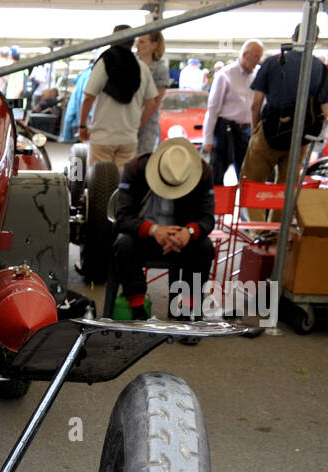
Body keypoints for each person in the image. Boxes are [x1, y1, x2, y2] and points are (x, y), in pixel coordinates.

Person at [110, 137, 215, 321]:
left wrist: (188, 232)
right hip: (144, 236)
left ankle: (189, 309)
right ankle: (137, 309)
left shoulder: (204, 172)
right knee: (123, 244)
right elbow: (122, 218)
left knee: (205, 247)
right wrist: (153, 230)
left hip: (181, 238)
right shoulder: (134, 168)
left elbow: (208, 218)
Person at [240, 38, 328, 218]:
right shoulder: (323, 70)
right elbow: (325, 112)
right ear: (316, 41)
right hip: (300, 139)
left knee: (251, 182)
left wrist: (255, 130)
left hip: (269, 133)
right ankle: (276, 234)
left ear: (293, 38)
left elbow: (256, 104)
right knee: (287, 188)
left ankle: (259, 232)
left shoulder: (273, 62)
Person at [79, 26, 159, 167]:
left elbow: (88, 97)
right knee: (121, 184)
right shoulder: (142, 67)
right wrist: (138, 125)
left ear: (112, 40)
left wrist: (82, 126)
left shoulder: (104, 63)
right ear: (132, 42)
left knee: (99, 184)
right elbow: (152, 103)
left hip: (103, 138)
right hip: (128, 139)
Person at [203, 40, 263, 185]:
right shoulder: (225, 75)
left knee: (246, 174)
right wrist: (208, 139)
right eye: (255, 57)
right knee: (218, 172)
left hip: (247, 130)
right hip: (225, 130)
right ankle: (216, 206)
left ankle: (243, 206)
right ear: (244, 54)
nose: (258, 61)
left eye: (259, 57)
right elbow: (212, 109)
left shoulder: (258, 75)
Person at [135, 29, 169, 155]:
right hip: (129, 122)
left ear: (154, 45)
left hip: (147, 125)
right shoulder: (133, 65)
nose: (137, 45)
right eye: (138, 42)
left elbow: (154, 103)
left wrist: (139, 126)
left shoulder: (160, 69)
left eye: (142, 42)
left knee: (142, 161)